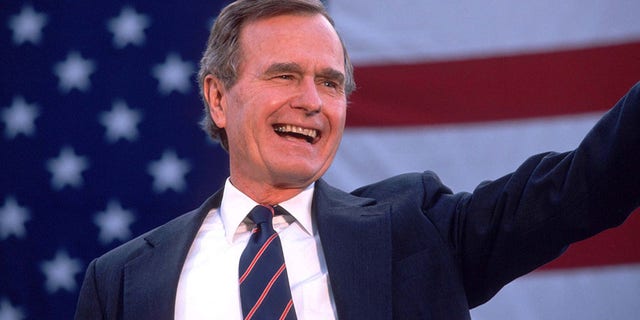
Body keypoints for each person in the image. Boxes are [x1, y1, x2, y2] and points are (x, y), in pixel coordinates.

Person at [74, 0, 640, 319]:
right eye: (284, 75)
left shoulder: (417, 230)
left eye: (330, 81)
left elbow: (579, 188)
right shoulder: (123, 281)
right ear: (218, 98)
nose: (312, 101)